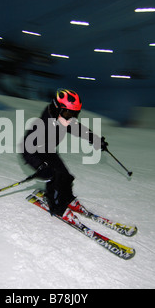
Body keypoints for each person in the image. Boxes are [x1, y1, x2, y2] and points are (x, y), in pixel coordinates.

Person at [22, 88, 108, 221]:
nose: (72, 118)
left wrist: (94, 139)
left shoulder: (63, 119)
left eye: (75, 114)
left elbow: (77, 128)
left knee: (66, 176)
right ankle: (57, 207)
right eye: (69, 113)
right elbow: (26, 149)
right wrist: (39, 166)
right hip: (36, 154)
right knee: (55, 177)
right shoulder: (42, 125)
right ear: (57, 109)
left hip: (49, 151)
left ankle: (67, 198)